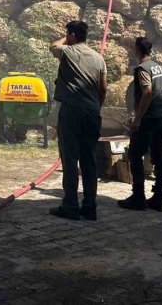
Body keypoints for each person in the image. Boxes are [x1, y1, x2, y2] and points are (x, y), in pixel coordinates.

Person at [49, 21, 108, 221]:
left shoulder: (68, 52)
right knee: (89, 160)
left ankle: (70, 206)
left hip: (72, 111)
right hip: (92, 112)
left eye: (68, 33)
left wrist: (66, 38)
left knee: (70, 158)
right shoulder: (98, 58)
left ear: (72, 35)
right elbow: (103, 88)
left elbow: (53, 46)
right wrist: (96, 108)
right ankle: (90, 207)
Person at [118, 37, 162, 212]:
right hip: (161, 117)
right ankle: (159, 198)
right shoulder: (157, 67)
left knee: (135, 154)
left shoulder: (142, 69)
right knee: (159, 158)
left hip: (148, 119)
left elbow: (147, 92)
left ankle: (138, 197)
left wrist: (138, 119)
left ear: (137, 50)